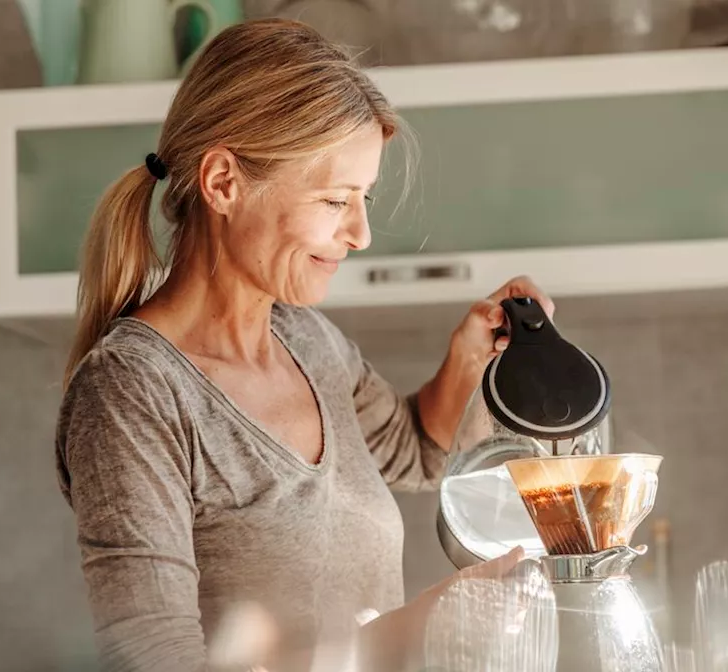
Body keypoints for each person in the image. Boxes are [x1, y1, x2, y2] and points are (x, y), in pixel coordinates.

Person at [54, 18, 550, 672]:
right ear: (224, 182)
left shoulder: (308, 340)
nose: (361, 233)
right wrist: (412, 630)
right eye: (335, 200)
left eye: (364, 198)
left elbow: (415, 453)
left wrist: (470, 355)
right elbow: (151, 661)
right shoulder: (131, 392)